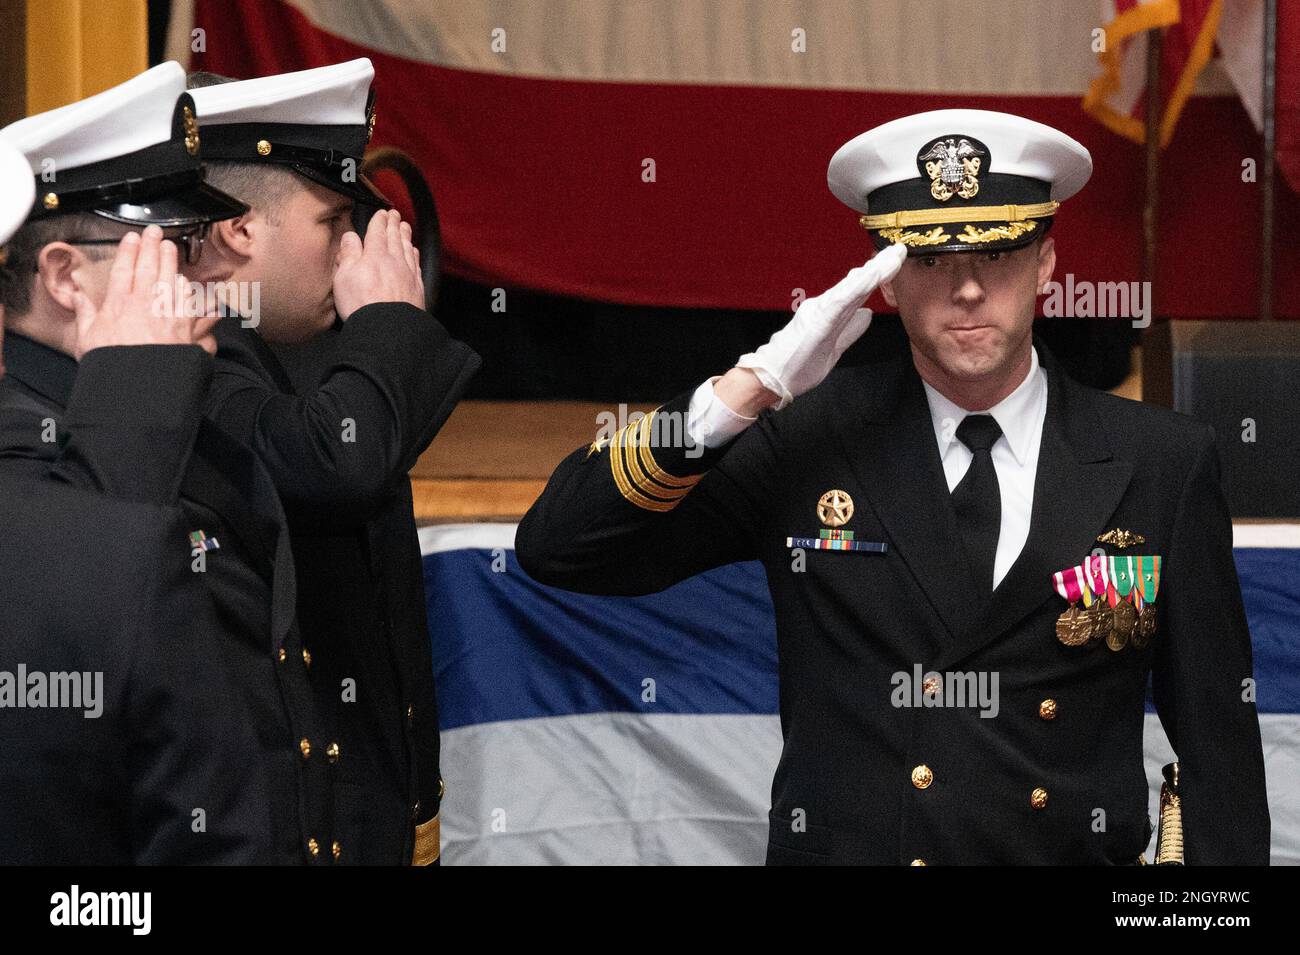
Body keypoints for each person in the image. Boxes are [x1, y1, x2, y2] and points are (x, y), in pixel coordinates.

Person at [515, 109, 1271, 865]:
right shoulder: (809, 440)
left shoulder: (1160, 460)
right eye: (932, 260)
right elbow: (560, 548)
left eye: (999, 253)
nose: (968, 289)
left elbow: (1220, 755)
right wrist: (746, 391)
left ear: (1046, 264)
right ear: (884, 277)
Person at [0, 62, 336, 864]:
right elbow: (64, 649)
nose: (213, 279)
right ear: (64, 274)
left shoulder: (177, 396)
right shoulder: (22, 432)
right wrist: (134, 391)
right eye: (179, 249)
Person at [187, 59, 480, 865]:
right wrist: (385, 319)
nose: (355, 249)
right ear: (240, 227)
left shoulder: (297, 353)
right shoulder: (182, 358)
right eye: (333, 222)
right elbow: (334, 466)